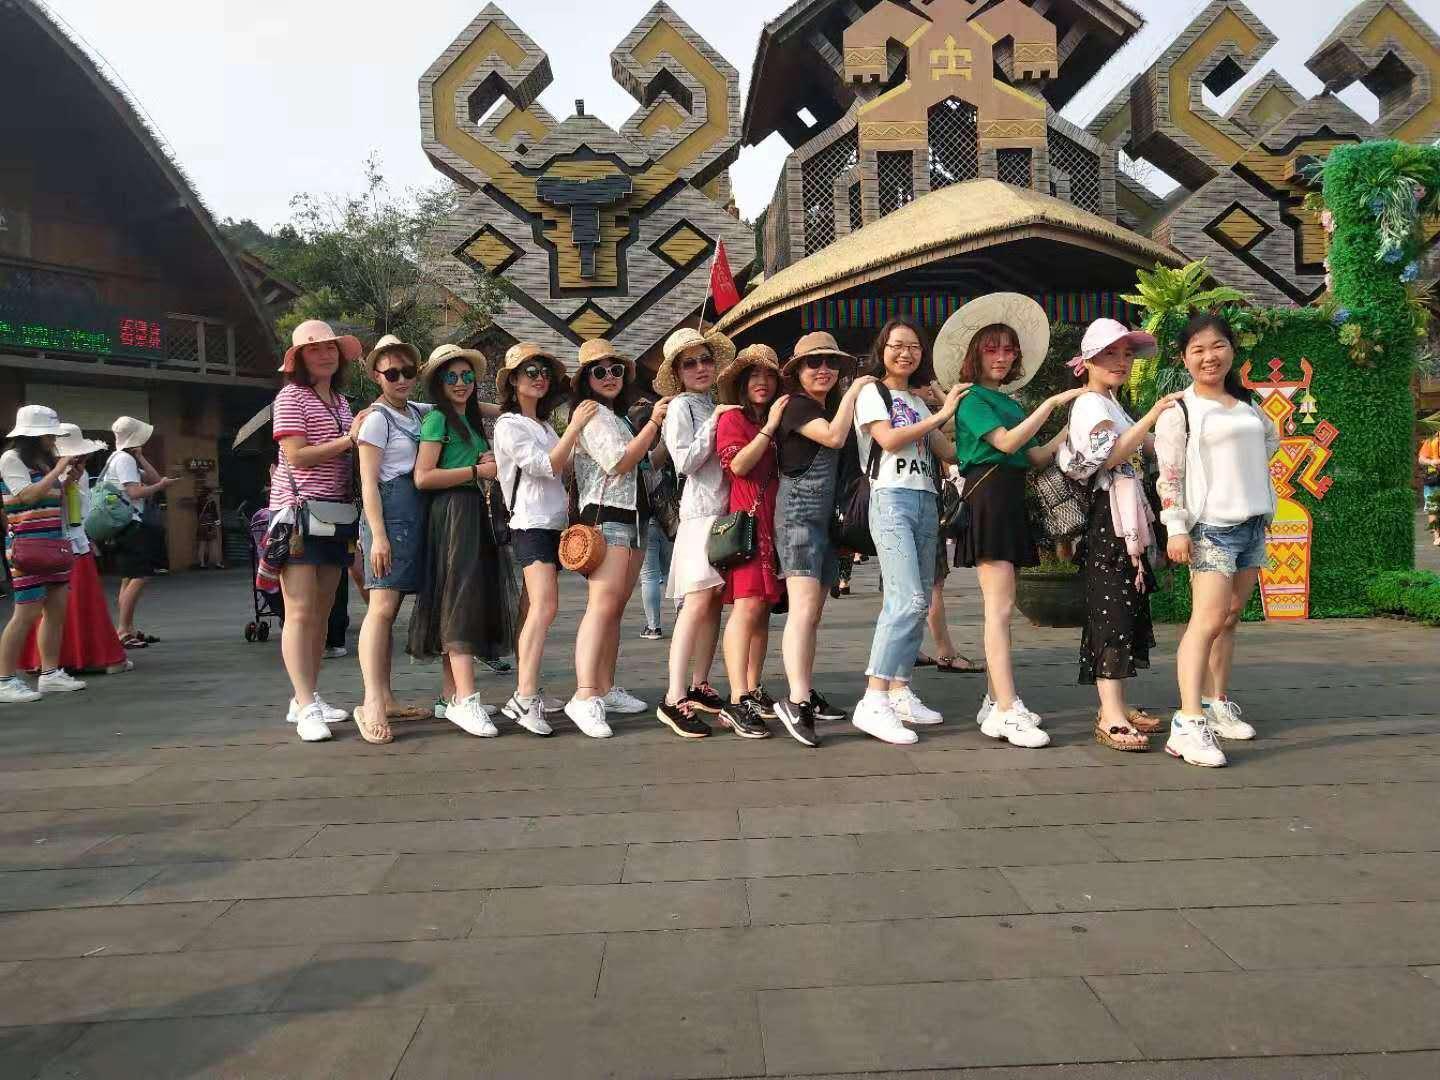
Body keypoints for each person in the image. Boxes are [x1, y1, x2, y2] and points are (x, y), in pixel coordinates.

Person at [942, 293, 1082, 749]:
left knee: (1002, 607)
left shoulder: (1010, 402)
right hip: (988, 499)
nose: (1001, 357)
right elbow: (1005, 444)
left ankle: (993, 701)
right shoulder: (970, 399)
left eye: (1008, 349)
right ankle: (1006, 706)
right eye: (992, 349)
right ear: (975, 354)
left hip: (1010, 498)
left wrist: (1072, 424)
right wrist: (1053, 404)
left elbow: (1035, 456)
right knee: (999, 609)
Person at [1156, 313, 1276, 767]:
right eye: (1199, 349)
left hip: (1252, 524)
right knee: (1205, 620)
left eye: (1218, 345)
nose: (1210, 356)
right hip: (1210, 528)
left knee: (1229, 618)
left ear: (1232, 349)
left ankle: (1215, 702)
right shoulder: (1180, 411)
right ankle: (1187, 723)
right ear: (1184, 358)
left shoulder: (1247, 403)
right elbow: (1169, 475)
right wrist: (1176, 527)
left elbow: (1270, 442)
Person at [1058, 319, 1181, 753]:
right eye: (1110, 353)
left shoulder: (1109, 402)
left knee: (1125, 610)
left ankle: (1118, 705)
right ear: (1089, 360)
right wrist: (1154, 414)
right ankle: (1109, 713)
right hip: (1108, 521)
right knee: (1112, 613)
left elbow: (1145, 445)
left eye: (1127, 354)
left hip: (1123, 520)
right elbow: (1110, 456)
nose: (1121, 362)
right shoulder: (1090, 404)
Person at [851, 318, 970, 744]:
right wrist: (942, 412)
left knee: (919, 602)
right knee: (907, 600)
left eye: (914, 346)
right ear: (881, 349)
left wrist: (952, 408)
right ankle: (874, 699)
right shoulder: (872, 393)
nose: (906, 353)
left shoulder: (918, 402)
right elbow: (888, 440)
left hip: (925, 499)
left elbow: (948, 451)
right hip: (891, 499)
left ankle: (899, 689)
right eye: (897, 345)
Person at [408, 342, 521, 738]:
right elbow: (423, 477)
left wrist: (484, 461)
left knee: (463, 599)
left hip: (474, 511)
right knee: (460, 600)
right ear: (438, 383)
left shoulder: (467, 418)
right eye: (451, 376)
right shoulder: (438, 419)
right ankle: (466, 699)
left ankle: (451, 695)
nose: (461, 382)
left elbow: (499, 411)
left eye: (467, 375)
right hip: (455, 513)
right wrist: (476, 471)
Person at [771, 332, 875, 747]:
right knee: (802, 610)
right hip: (798, 517)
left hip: (826, 522)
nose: (824, 370)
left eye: (831, 363)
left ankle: (805, 690)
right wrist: (856, 389)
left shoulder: (826, 408)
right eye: (814, 363)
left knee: (812, 614)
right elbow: (832, 436)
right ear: (797, 371)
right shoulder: (797, 406)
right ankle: (795, 701)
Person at [493, 342, 596, 736]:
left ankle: (528, 686)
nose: (539, 378)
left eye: (544, 372)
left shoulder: (545, 426)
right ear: (513, 381)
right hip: (530, 524)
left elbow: (565, 465)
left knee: (533, 609)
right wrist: (575, 428)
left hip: (553, 524)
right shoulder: (509, 425)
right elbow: (545, 465)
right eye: (530, 372)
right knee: (544, 606)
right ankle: (523, 696)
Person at [271, 320, 367, 742]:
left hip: (336, 514)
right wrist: (349, 440)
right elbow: (296, 455)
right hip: (297, 514)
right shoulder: (291, 397)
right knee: (300, 611)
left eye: (331, 348)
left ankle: (306, 696)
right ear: (299, 359)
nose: (325, 355)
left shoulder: (341, 402)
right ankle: (305, 703)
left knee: (323, 613)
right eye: (315, 349)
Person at [567, 339, 668, 731]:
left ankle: (604, 687)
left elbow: (645, 463)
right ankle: (585, 693)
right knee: (602, 606)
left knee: (614, 608)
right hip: (607, 516)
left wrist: (663, 434)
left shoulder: (618, 417)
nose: (609, 376)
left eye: (616, 370)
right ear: (585, 379)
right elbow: (618, 462)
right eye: (599, 371)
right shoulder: (591, 413)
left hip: (634, 515)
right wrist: (654, 424)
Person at [655, 327, 738, 739]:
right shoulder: (682, 407)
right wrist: (716, 423)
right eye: (690, 363)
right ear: (678, 373)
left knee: (713, 603)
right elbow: (684, 461)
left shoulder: (710, 403)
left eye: (706, 360)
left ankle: (700, 683)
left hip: (723, 512)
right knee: (697, 602)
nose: (701, 368)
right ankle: (674, 696)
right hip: (700, 513)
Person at [352, 335, 430, 744]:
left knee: (391, 608)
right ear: (377, 377)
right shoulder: (377, 420)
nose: (401, 379)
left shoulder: (417, 411)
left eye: (408, 371)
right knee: (381, 608)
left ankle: (386, 696)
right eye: (392, 373)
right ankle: (371, 703)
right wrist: (378, 536)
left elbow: (464, 406)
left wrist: (510, 406)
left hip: (415, 514)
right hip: (389, 516)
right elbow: (368, 483)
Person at [714, 344, 788, 739]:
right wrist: (769, 427)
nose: (762, 382)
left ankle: (753, 686)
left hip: (775, 524)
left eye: (769, 376)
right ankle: (736, 696)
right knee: (745, 608)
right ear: (742, 383)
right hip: (747, 523)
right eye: (754, 376)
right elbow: (739, 465)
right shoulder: (734, 420)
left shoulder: (777, 418)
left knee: (762, 611)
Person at [19, 424, 127, 676]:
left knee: (45, 609)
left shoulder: (43, 470)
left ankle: (45, 661)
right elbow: (79, 513)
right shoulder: (60, 473)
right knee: (78, 606)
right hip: (71, 545)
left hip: (50, 543)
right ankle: (85, 657)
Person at [0, 406, 88, 701]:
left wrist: (70, 477)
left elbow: (50, 496)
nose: (53, 439)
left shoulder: (42, 460)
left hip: (53, 544)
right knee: (25, 614)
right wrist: (60, 468)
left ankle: (50, 674)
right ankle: (4, 680)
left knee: (56, 611)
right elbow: (27, 495)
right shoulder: (11, 459)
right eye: (49, 434)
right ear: (32, 435)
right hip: (27, 547)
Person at [101, 415, 176, 648]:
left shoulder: (119, 458)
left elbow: (153, 478)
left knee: (129, 578)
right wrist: (160, 487)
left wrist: (141, 457)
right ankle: (123, 630)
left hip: (125, 525)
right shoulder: (124, 460)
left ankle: (127, 627)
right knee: (140, 576)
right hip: (132, 525)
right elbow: (135, 492)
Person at [631, 394, 676, 640]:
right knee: (672, 573)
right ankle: (684, 619)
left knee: (649, 576)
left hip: (645, 520)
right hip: (669, 519)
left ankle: (653, 626)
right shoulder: (665, 453)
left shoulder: (636, 453)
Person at [195, 484, 224, 569]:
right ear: (209, 493)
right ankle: (217, 563)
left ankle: (202, 563)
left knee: (202, 545)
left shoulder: (199, 501)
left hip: (201, 525)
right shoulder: (211, 502)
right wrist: (218, 524)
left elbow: (198, 514)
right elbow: (215, 515)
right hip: (210, 525)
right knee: (214, 544)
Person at [1419, 430, 1440, 547]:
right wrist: (1431, 461)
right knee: (1433, 508)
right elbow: (1421, 459)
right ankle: (1437, 536)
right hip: (1434, 480)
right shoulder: (1431, 441)